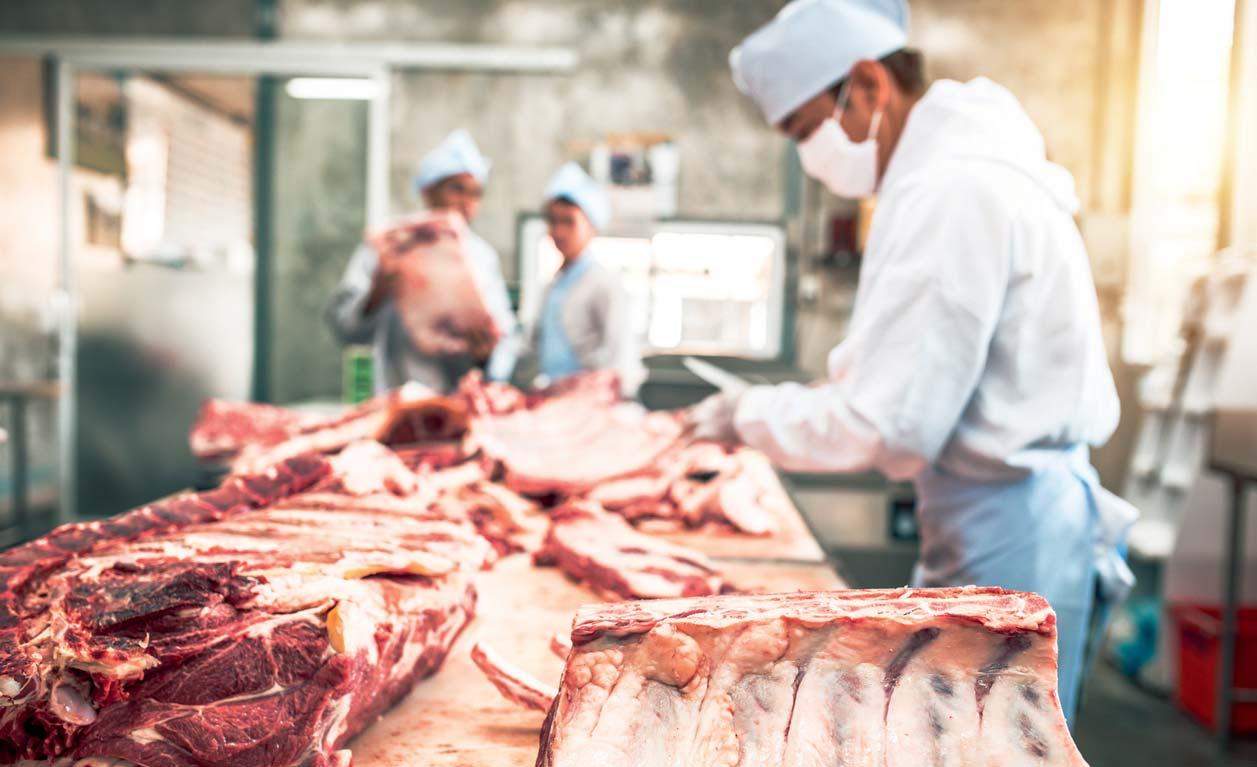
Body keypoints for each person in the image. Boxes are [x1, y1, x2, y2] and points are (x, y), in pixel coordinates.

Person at [693, 0, 1137, 723]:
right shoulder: (960, 168)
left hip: (1008, 526)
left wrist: (745, 414)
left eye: (805, 129)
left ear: (868, 86)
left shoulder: (949, 189)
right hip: (1002, 510)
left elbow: (888, 426)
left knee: (993, 742)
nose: (809, 154)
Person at [326, 129, 520, 393]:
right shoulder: (392, 244)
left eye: (475, 193)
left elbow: (506, 343)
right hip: (397, 396)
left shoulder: (483, 257)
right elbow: (345, 329)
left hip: (461, 402)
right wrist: (379, 290)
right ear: (429, 191)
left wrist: (487, 356)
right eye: (457, 189)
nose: (467, 203)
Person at [525, 162, 645, 397]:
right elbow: (534, 349)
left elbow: (623, 358)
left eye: (569, 221)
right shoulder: (553, 285)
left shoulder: (603, 283)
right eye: (553, 221)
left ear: (593, 226)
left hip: (591, 401)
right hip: (553, 400)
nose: (558, 231)